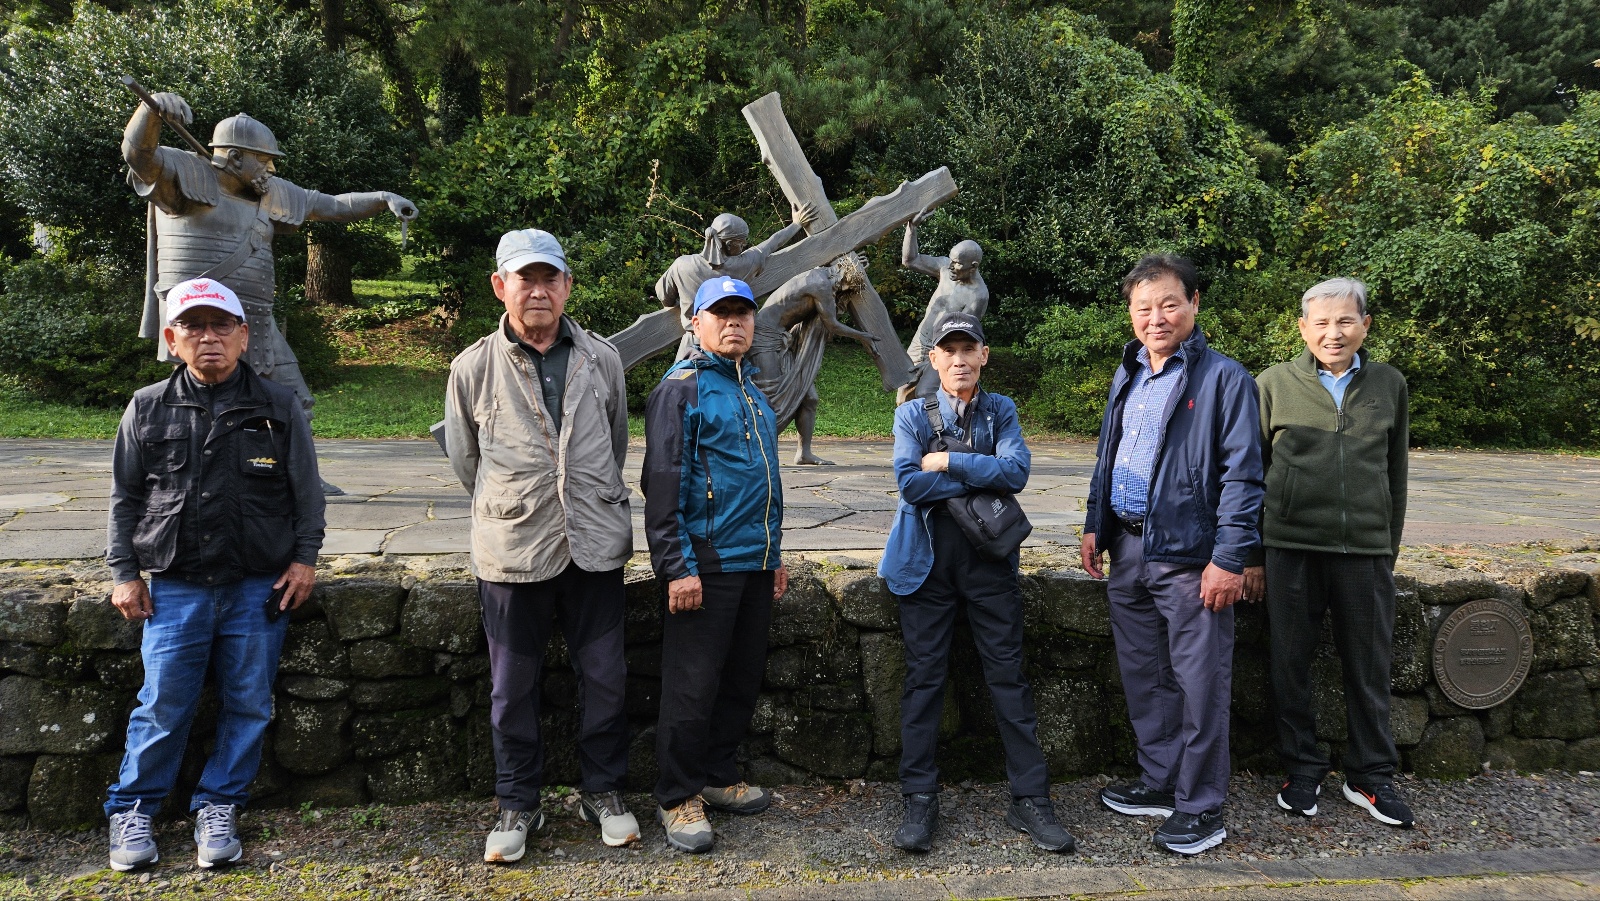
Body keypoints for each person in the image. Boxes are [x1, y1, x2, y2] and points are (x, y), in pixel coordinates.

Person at [104, 277, 325, 872]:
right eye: (194, 327)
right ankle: (134, 809)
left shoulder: (278, 406)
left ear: (243, 336)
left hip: (259, 586)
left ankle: (219, 803)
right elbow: (125, 498)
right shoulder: (147, 406)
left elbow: (307, 496)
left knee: (249, 702)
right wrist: (125, 572)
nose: (209, 338)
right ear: (172, 339)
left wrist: (305, 561)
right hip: (175, 586)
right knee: (163, 704)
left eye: (221, 325)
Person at [444, 229, 639, 862]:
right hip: (513, 548)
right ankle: (516, 802)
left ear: (566, 287)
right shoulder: (471, 366)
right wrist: (519, 506)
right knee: (511, 688)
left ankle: (603, 791)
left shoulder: (602, 358)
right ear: (500, 286)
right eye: (524, 279)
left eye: (549, 278)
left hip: (595, 545)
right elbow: (465, 460)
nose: (537, 291)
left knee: (606, 678)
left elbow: (614, 444)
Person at [123, 92, 416, 495]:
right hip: (200, 321)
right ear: (235, 156)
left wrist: (384, 199)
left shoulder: (272, 193)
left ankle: (303, 477)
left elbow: (330, 205)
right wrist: (151, 111)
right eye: (263, 159)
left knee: (295, 400)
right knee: (199, 405)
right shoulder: (185, 179)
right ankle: (191, 479)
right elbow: (138, 154)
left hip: (256, 322)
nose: (271, 167)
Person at [1079, 254, 1264, 855]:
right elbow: (1110, 453)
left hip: (1191, 557)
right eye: (1143, 308)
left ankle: (1201, 805)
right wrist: (1094, 525)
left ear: (1193, 304)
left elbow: (1244, 476)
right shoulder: (1128, 371)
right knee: (1146, 677)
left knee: (1200, 681)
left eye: (1168, 304)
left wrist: (1230, 557)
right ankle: (1160, 781)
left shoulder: (1223, 378)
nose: (1156, 318)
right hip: (1128, 548)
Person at [879, 313, 1075, 854]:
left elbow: (1017, 474)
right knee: (924, 682)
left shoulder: (1000, 410)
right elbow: (909, 484)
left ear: (984, 355)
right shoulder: (912, 414)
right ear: (934, 359)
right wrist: (975, 467)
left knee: (1009, 677)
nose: (960, 359)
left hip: (990, 562)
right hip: (926, 563)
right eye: (950, 350)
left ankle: (1031, 800)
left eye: (970, 348)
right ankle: (919, 799)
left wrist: (947, 461)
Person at [1254, 277, 1414, 828]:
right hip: (1291, 546)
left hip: (1365, 551)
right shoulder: (1272, 384)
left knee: (1368, 665)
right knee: (1290, 662)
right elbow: (1252, 472)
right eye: (1320, 323)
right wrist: (1253, 552)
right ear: (1302, 328)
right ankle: (1302, 767)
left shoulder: (1389, 385)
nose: (1333, 333)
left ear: (1365, 325)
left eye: (1345, 321)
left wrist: (1385, 548)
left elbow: (1396, 473)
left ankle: (1371, 775)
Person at [642, 276, 789, 854]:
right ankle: (677, 795)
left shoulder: (753, 390)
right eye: (720, 314)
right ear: (695, 323)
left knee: (739, 678)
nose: (734, 323)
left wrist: (774, 555)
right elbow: (663, 483)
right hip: (705, 563)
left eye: (743, 314)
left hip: (753, 562)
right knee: (691, 686)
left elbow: (768, 484)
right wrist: (676, 566)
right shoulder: (681, 390)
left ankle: (718, 775)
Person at [747, 256, 880, 464]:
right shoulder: (820, 284)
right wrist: (863, 336)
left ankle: (804, 453)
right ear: (842, 275)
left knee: (809, 398)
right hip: (763, 339)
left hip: (781, 340)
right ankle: (752, 450)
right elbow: (832, 324)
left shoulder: (820, 277)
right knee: (771, 397)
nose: (842, 291)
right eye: (845, 287)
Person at [656, 212, 804, 359]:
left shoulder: (682, 265)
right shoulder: (741, 265)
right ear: (729, 244)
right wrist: (797, 224)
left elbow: (664, 297)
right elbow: (771, 245)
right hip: (731, 343)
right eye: (741, 243)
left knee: (686, 379)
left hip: (692, 346)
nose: (744, 246)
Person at [896, 208, 987, 404]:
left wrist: (933, 359)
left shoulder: (978, 297)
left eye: (957, 264)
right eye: (951, 261)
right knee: (903, 394)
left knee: (925, 393)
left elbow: (960, 336)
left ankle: (944, 431)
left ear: (973, 266)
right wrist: (912, 228)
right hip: (920, 340)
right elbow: (910, 260)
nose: (952, 267)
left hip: (943, 348)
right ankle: (910, 433)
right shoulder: (945, 269)